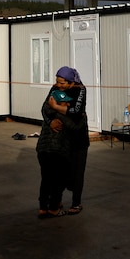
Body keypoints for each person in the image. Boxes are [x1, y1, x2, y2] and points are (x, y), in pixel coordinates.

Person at [42, 66, 89, 215]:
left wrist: (56, 107)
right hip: (62, 139)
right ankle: (57, 201)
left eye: (62, 83)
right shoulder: (55, 88)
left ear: (70, 82)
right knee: (60, 172)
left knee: (77, 172)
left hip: (78, 137)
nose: (58, 85)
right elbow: (44, 108)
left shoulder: (80, 89)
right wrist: (50, 122)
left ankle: (76, 203)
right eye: (57, 82)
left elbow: (77, 112)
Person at [35, 88, 77, 218]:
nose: (68, 105)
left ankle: (43, 208)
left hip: (42, 151)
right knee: (58, 180)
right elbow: (75, 127)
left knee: (46, 179)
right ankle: (54, 208)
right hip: (57, 152)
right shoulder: (61, 116)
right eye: (65, 103)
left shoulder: (48, 114)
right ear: (56, 103)